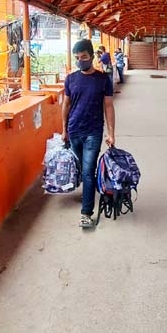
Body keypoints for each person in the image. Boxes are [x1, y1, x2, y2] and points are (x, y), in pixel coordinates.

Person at [62, 39, 115, 229]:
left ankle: (86, 212)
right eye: (77, 58)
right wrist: (64, 129)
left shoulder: (102, 79)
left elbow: (108, 106)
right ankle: (87, 193)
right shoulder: (71, 79)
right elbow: (66, 105)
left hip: (93, 131)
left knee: (88, 171)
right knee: (80, 168)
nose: (80, 61)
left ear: (92, 56)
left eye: (83, 57)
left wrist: (111, 133)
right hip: (74, 130)